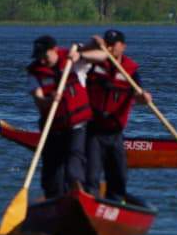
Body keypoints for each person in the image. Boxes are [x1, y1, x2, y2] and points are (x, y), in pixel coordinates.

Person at [81, 29, 149, 205]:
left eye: (114, 44)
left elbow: (139, 96)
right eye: (108, 44)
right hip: (94, 131)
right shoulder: (94, 64)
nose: (110, 48)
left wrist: (144, 98)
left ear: (123, 47)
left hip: (115, 132)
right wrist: (92, 44)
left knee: (119, 176)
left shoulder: (131, 71)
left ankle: (116, 203)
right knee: (92, 175)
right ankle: (91, 204)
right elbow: (76, 54)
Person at [26, 36, 92, 198]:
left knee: (74, 164)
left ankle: (79, 194)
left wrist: (81, 53)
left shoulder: (73, 62)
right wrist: (49, 100)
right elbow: (39, 100)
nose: (42, 61)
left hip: (77, 126)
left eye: (45, 56)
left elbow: (101, 53)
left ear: (54, 50)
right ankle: (54, 199)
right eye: (39, 57)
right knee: (52, 173)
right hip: (52, 127)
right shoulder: (34, 73)